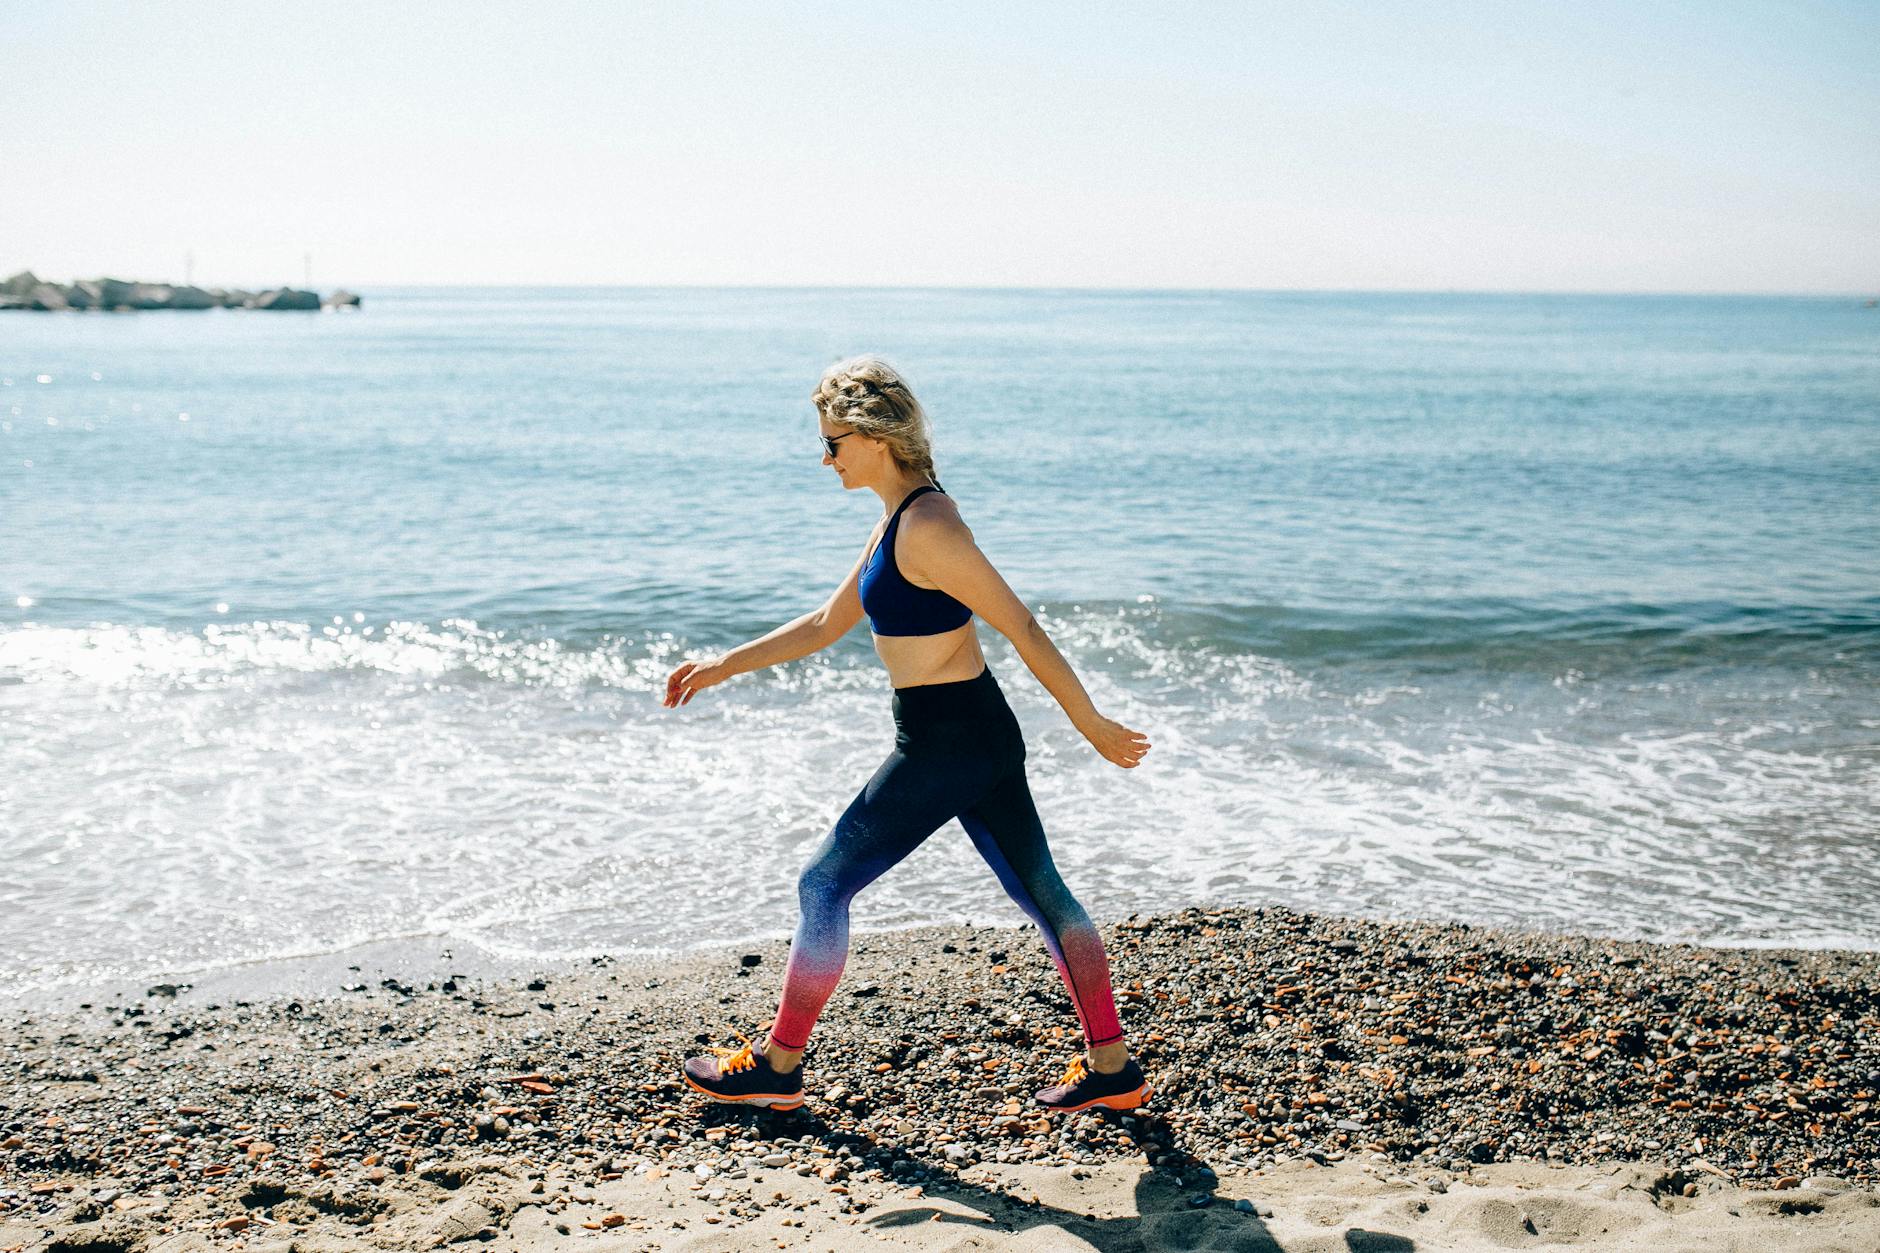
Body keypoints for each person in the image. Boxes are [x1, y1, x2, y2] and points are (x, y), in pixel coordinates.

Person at [662, 355, 1152, 1117]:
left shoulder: (928, 525)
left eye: (833, 443)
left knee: (824, 883)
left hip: (949, 741)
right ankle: (1114, 1068)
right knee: (1044, 894)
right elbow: (827, 624)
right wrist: (725, 663)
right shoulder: (894, 519)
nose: (825, 458)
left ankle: (778, 1066)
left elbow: (1019, 621)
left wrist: (1089, 722)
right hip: (968, 733)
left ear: (873, 437)